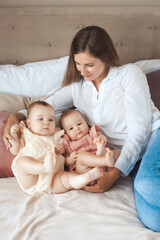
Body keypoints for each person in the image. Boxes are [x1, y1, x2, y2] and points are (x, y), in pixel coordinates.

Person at [3, 26, 160, 231]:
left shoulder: (129, 74)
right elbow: (44, 107)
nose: (83, 72)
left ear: (106, 57)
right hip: (131, 158)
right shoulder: (78, 89)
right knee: (153, 220)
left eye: (90, 65)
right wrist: (14, 118)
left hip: (153, 137)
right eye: (78, 64)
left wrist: (113, 175)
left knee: (146, 185)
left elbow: (139, 130)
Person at [9, 101, 104, 195]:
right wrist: (13, 135)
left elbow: (65, 152)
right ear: (29, 123)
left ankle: (83, 178)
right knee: (23, 161)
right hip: (32, 180)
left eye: (51, 120)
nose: (46, 123)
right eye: (40, 119)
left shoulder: (58, 135)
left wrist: (62, 150)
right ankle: (43, 167)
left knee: (66, 178)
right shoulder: (27, 133)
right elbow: (15, 150)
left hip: (53, 179)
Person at [59, 109, 120, 174]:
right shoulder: (69, 145)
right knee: (81, 157)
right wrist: (70, 159)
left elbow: (102, 137)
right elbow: (64, 161)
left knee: (117, 153)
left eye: (79, 124)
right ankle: (104, 160)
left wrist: (101, 139)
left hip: (103, 165)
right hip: (86, 170)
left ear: (86, 123)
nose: (77, 128)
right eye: (71, 128)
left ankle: (103, 158)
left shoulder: (92, 134)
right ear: (66, 134)